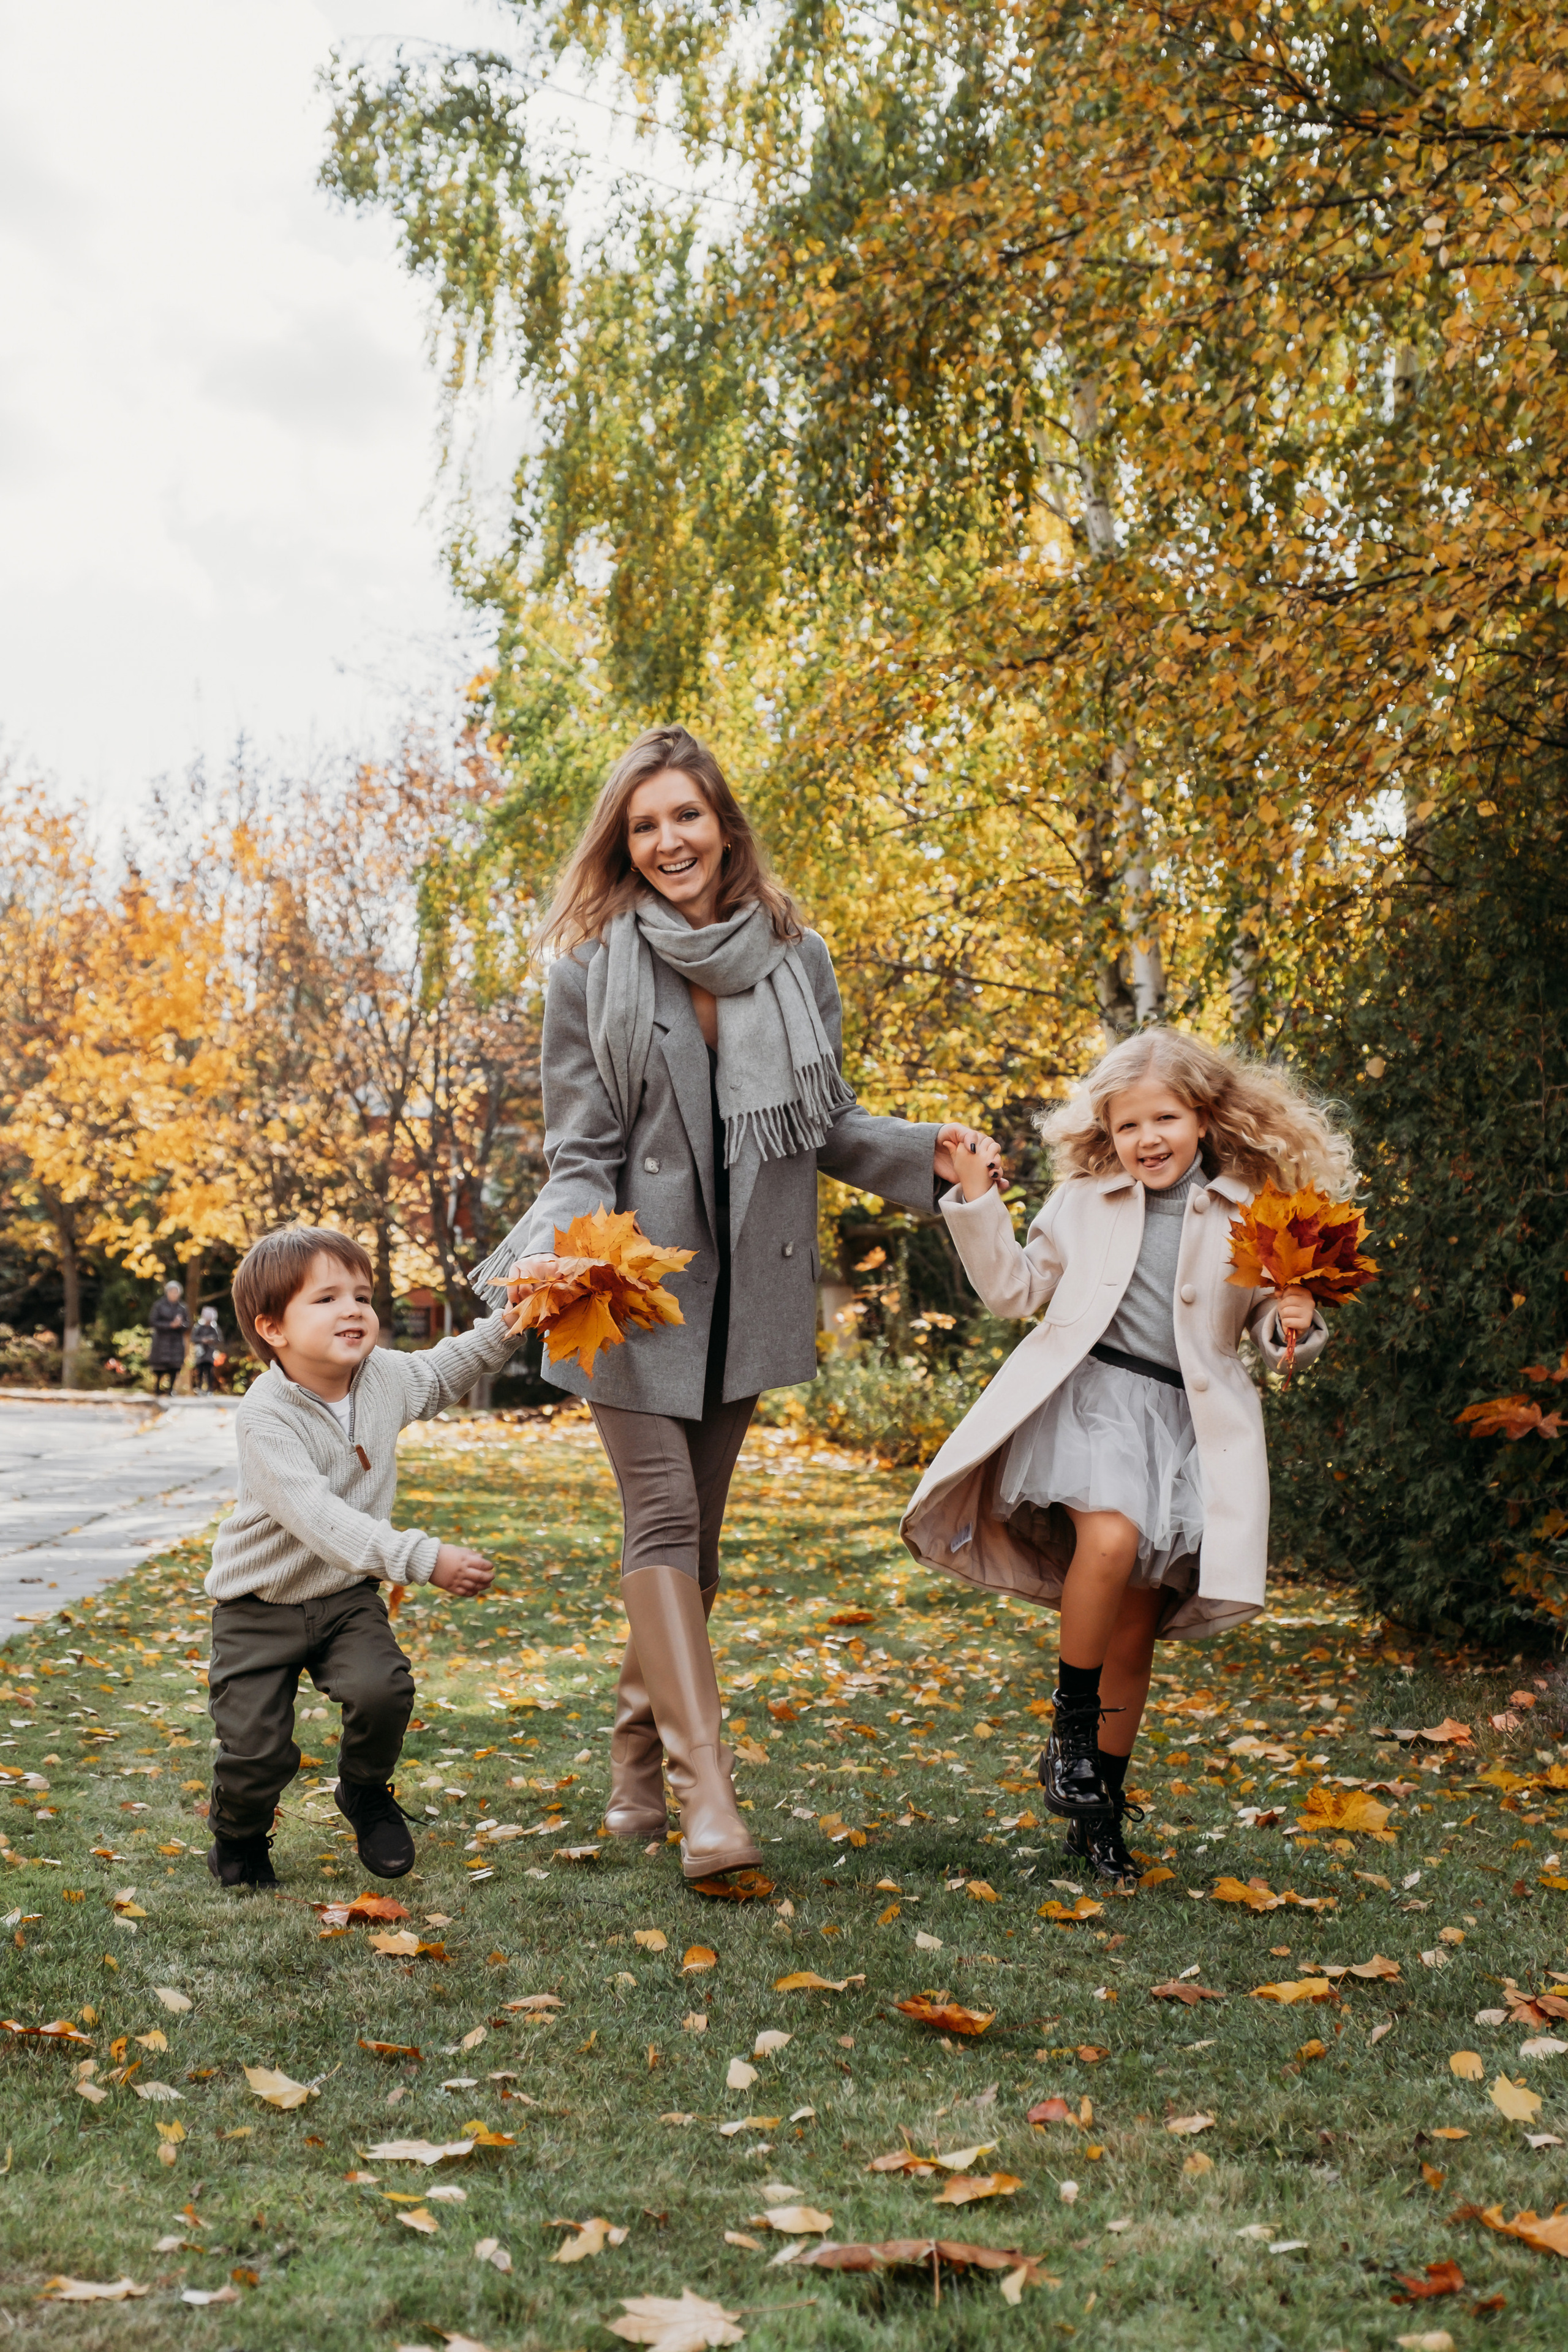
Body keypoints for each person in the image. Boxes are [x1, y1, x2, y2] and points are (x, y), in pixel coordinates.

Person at [470, 725, 997, 1887]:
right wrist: (551, 1255)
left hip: (743, 1292)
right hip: (625, 1293)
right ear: (624, 841)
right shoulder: (590, 969)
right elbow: (580, 1149)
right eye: (645, 823)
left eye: (686, 817)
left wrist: (935, 1156)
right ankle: (712, 1802)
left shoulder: (795, 959)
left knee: (691, 1550)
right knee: (659, 1518)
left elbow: (830, 1123)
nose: (668, 841)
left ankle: (634, 1770)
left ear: (725, 826)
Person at [900, 1028, 1353, 1891]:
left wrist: (1293, 1318)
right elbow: (1015, 1292)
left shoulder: (1253, 1211)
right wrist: (972, 1201)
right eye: (1129, 1124)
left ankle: (1098, 1818)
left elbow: (1264, 1334)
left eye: (1167, 1119)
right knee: (1109, 1540)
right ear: (1106, 1132)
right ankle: (1070, 1736)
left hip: (1184, 1425)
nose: (1149, 1139)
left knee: (1136, 1637)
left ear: (1204, 1117)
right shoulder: (1083, 1200)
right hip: (1092, 1401)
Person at [203, 1225, 529, 1891]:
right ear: (274, 1328)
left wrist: (511, 1324)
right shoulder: (265, 1417)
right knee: (255, 1754)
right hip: (256, 1607)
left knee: (384, 1689)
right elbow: (319, 1518)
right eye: (326, 1299)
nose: (353, 1309)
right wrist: (420, 1557)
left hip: (344, 1597)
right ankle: (237, 1836)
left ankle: (364, 1791)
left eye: (361, 1294)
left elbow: (444, 1369)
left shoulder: (381, 1378)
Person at [149, 1280, 190, 1396]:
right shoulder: (159, 1305)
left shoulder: (183, 1307)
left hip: (176, 1342)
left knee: (175, 1367)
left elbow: (188, 1324)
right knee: (159, 1367)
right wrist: (169, 1325)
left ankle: (171, 1390)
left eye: (176, 1292)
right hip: (161, 1341)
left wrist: (180, 1325)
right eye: (172, 1292)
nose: (174, 1294)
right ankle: (157, 1388)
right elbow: (153, 1321)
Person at [191, 1304, 222, 1395]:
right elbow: (193, 1338)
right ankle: (199, 1388)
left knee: (210, 1373)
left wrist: (211, 1341)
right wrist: (202, 1340)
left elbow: (219, 1339)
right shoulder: (199, 1327)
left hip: (210, 1354)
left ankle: (210, 1390)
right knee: (200, 1372)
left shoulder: (215, 1328)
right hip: (200, 1353)